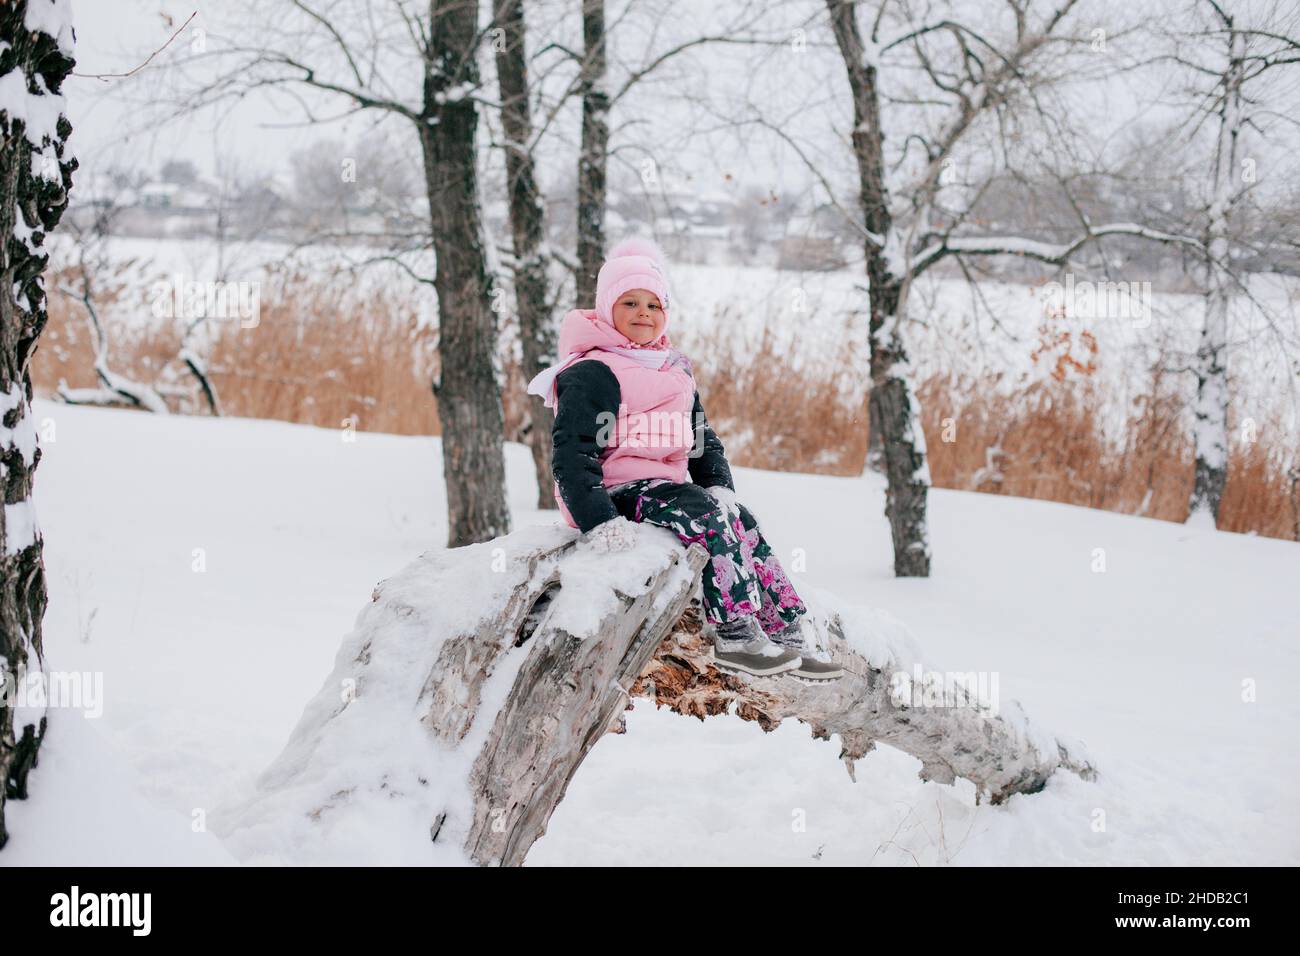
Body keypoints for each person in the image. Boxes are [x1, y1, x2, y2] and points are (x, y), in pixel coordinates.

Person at [526, 238, 842, 681]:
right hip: (617, 492)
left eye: (655, 305)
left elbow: (700, 438)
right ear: (605, 309)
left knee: (741, 519)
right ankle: (734, 631)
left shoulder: (673, 368)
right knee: (705, 515)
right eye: (630, 302)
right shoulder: (593, 371)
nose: (644, 313)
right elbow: (572, 452)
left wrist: (719, 486)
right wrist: (599, 520)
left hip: (667, 488)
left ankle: (785, 631)